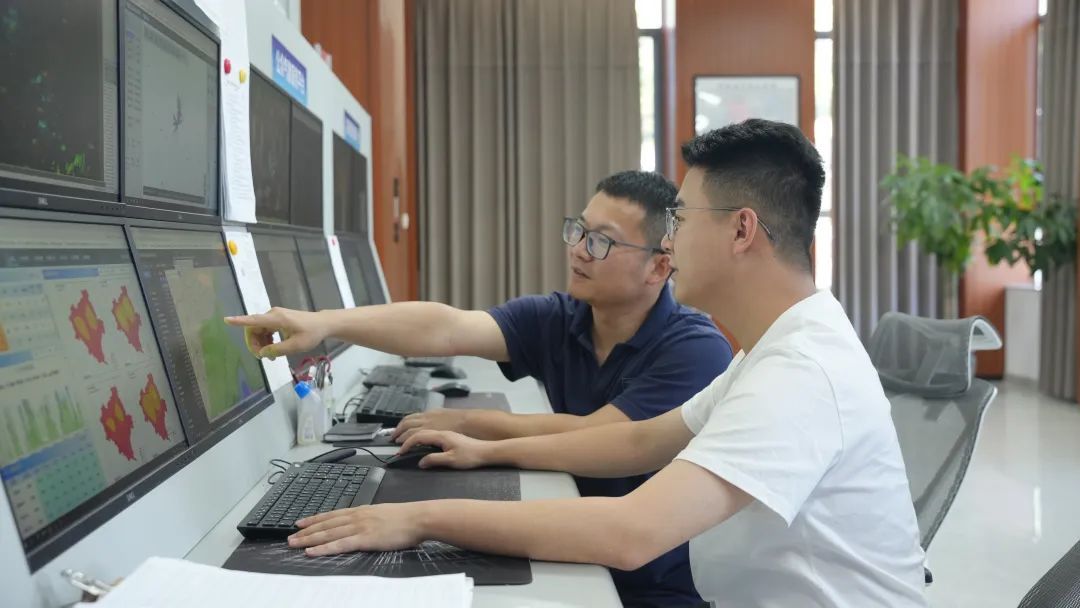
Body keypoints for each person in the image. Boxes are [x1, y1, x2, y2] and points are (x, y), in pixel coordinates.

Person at [275, 120, 929, 607]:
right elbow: (640, 441)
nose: (671, 240)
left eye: (681, 219)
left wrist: (419, 519)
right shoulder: (774, 348)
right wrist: (484, 450)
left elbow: (630, 533)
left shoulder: (799, 374)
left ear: (741, 230)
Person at [227, 170, 734, 607]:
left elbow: (602, 434)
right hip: (570, 548)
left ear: (659, 265)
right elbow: (447, 327)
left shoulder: (694, 348)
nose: (579, 250)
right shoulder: (563, 317)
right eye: (578, 230)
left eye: (601, 241)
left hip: (646, 587)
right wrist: (323, 323)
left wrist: (480, 434)